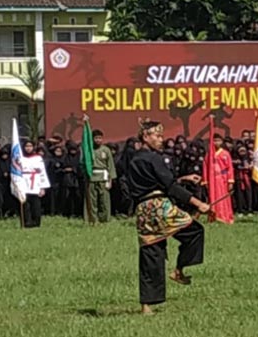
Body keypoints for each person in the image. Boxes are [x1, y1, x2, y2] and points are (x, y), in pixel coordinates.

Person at [128, 120, 210, 316]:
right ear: (145, 136)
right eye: (157, 136)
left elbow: (150, 184)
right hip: (160, 208)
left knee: (150, 253)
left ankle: (146, 306)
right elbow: (170, 187)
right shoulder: (155, 158)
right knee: (194, 231)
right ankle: (179, 270)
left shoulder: (132, 159)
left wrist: (183, 179)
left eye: (161, 136)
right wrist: (198, 204)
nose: (160, 140)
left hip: (142, 211)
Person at [86, 129, 117, 223]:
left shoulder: (106, 150)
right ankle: (93, 220)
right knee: (92, 200)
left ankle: (105, 219)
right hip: (92, 177)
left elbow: (110, 165)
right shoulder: (89, 150)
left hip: (103, 177)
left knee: (104, 200)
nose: (98, 140)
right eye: (96, 138)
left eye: (100, 138)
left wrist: (110, 179)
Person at [204, 133, 235, 224]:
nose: (216, 143)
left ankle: (225, 216)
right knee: (213, 198)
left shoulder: (226, 154)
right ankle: (214, 215)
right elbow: (205, 167)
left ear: (221, 142)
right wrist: (205, 181)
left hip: (222, 179)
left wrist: (230, 181)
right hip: (213, 180)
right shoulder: (209, 154)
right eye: (214, 141)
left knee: (223, 198)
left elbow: (229, 168)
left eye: (218, 141)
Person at [21, 140, 50, 228]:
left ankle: (36, 221)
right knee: (25, 204)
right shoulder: (21, 158)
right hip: (24, 182)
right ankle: (27, 221)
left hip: (35, 182)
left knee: (35, 204)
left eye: (30, 146)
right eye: (26, 146)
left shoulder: (38, 158)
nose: (28, 148)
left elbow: (42, 173)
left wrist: (42, 187)